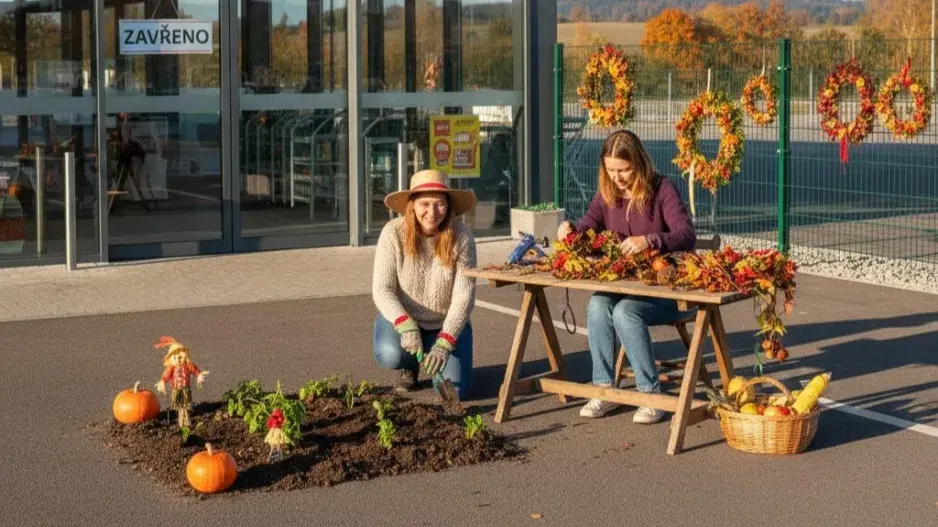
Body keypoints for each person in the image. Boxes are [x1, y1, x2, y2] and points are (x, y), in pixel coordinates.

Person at [557, 129, 696, 424]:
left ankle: (651, 395)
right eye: (611, 170)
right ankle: (605, 389)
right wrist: (568, 230)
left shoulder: (663, 189)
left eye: (624, 170)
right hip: (624, 284)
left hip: (665, 289)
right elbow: (586, 227)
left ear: (639, 163)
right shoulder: (607, 194)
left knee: (625, 312)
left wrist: (650, 240)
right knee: (598, 304)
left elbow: (686, 234)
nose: (617, 177)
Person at [372, 169, 477, 399]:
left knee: (457, 392)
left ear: (448, 206)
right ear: (412, 205)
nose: (432, 212)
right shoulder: (393, 233)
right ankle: (409, 365)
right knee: (390, 354)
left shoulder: (462, 236)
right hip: (405, 321)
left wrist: (446, 341)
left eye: (439, 204)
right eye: (424, 204)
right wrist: (405, 324)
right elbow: (382, 289)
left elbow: (464, 296)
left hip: (444, 324)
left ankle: (434, 350)